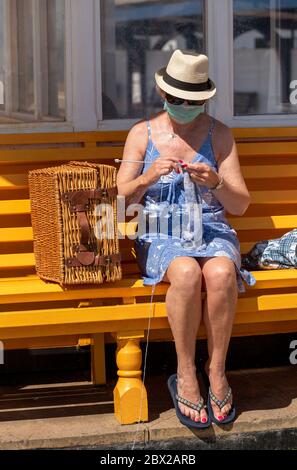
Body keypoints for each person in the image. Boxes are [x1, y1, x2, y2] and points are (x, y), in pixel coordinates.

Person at [116, 49, 256, 428]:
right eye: (176, 99)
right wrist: (146, 178)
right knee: (187, 274)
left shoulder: (220, 135)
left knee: (222, 274)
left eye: (191, 101)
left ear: (203, 100)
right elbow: (118, 203)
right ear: (163, 95)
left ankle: (217, 370)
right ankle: (186, 372)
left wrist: (217, 182)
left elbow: (240, 205)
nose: (182, 106)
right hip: (161, 232)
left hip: (211, 228)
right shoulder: (141, 135)